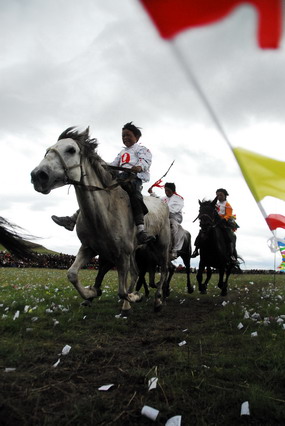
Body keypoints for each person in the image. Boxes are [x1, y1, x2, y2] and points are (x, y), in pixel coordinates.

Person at [52, 122, 154, 245]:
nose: (125, 138)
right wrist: (102, 165)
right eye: (123, 136)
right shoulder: (121, 153)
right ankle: (72, 220)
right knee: (98, 195)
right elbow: (114, 165)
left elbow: (146, 161)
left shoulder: (142, 149)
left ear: (137, 137)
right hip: (120, 178)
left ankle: (141, 230)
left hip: (133, 178)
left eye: (128, 135)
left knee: (135, 196)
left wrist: (139, 167)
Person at [192, 188, 238, 260]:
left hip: (223, 223)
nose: (219, 197)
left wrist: (223, 219)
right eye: (217, 195)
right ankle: (196, 250)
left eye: (221, 195)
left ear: (225, 196)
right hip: (214, 222)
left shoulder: (227, 204)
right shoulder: (215, 204)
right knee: (201, 232)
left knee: (229, 235)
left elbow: (229, 214)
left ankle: (231, 254)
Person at [148, 182, 184, 260]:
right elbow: (158, 200)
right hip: (162, 217)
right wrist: (151, 193)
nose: (166, 192)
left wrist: (162, 209)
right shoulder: (164, 198)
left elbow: (172, 210)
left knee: (175, 228)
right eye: (165, 190)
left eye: (168, 190)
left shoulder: (178, 199)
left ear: (172, 190)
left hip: (173, 218)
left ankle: (174, 249)